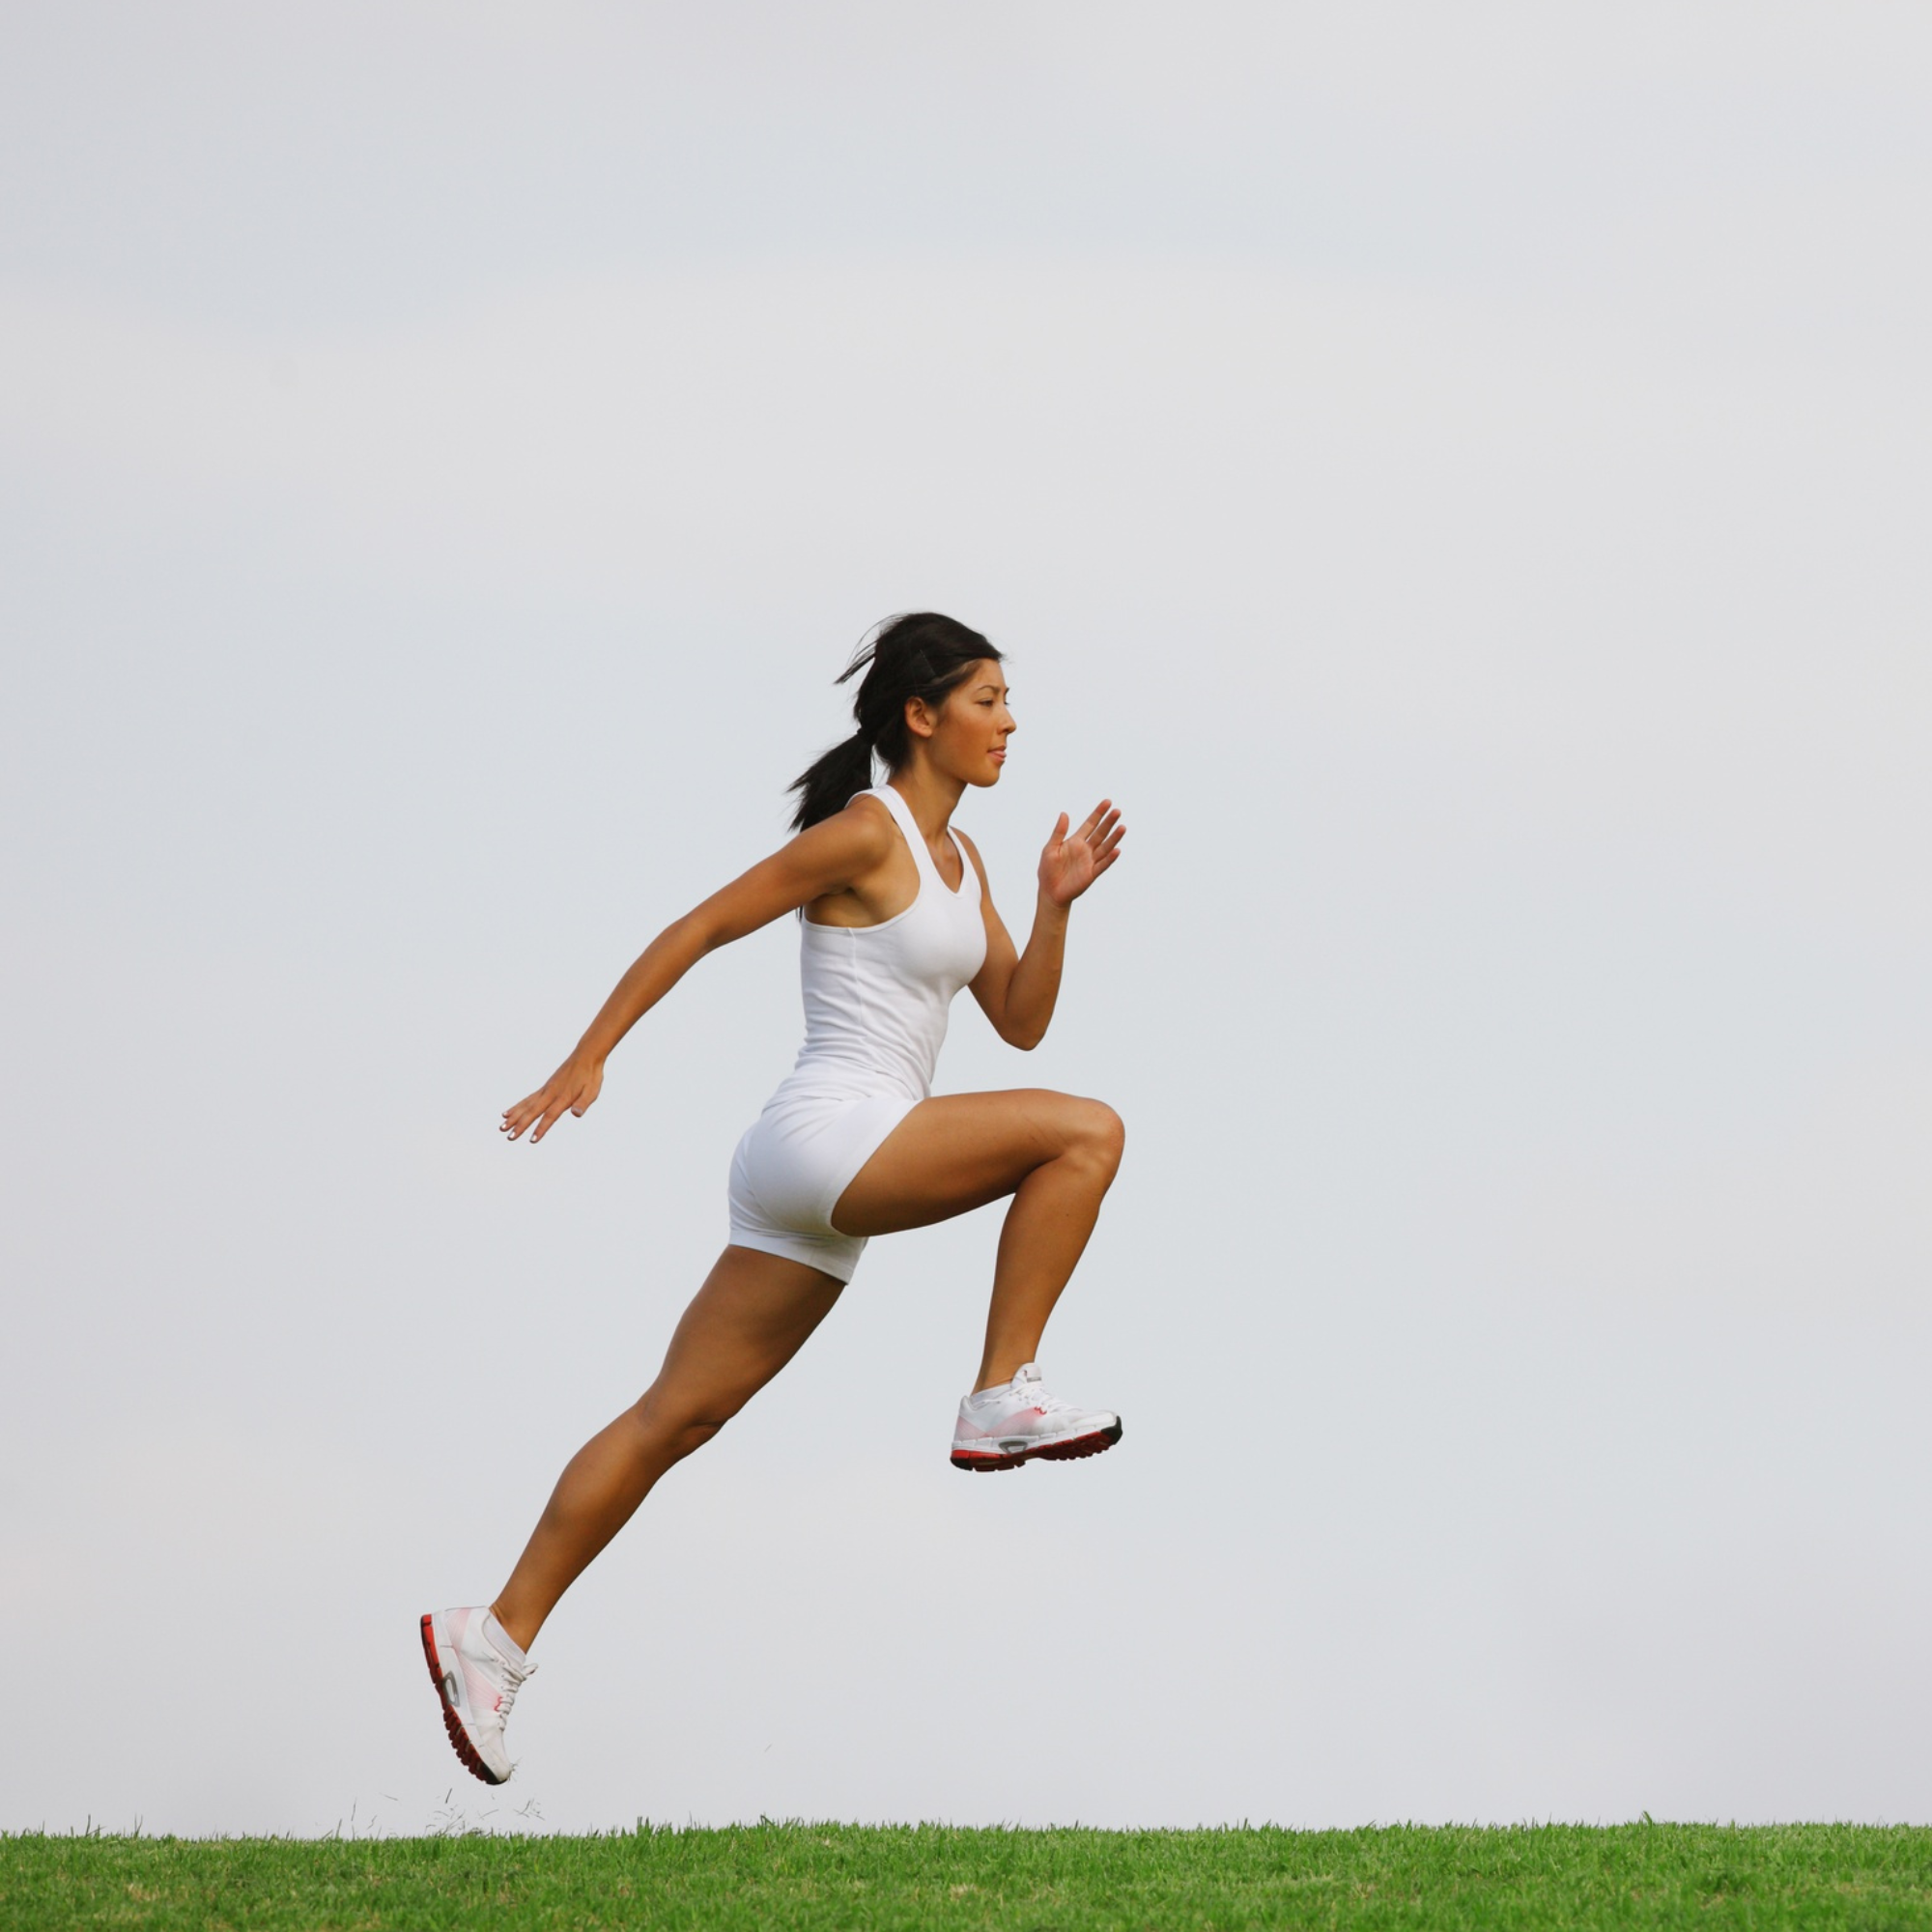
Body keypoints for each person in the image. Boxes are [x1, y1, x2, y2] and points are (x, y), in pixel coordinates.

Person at [421, 612, 1127, 1785]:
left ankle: (490, 1638)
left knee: (673, 1419)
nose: (1009, 722)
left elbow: (1016, 1016)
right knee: (1085, 1132)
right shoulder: (865, 831)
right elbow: (702, 922)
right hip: (832, 1135)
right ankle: (1000, 1390)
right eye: (988, 700)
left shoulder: (967, 861)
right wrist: (588, 1055)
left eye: (1009, 702)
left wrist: (1054, 906)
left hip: (822, 1178)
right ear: (921, 715)